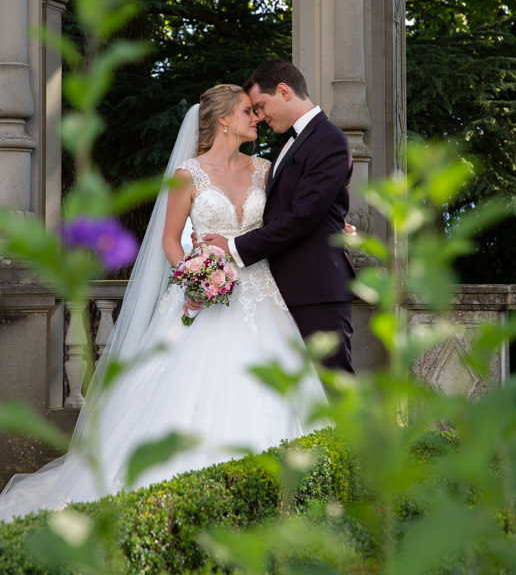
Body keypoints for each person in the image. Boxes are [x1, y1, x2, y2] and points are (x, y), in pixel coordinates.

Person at [0, 84, 327, 523]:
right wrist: (195, 275)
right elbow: (171, 240)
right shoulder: (187, 175)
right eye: (248, 111)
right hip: (202, 294)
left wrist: (334, 223)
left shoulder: (266, 169)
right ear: (224, 120)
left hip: (260, 294)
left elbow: (291, 219)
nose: (257, 117)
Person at [201, 60, 355, 373]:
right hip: (280, 290)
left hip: (317, 288)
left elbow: (301, 216)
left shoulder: (329, 139)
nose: (259, 116)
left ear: (283, 92)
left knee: (333, 386)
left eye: (260, 105)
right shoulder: (290, 142)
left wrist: (232, 246)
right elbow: (286, 209)